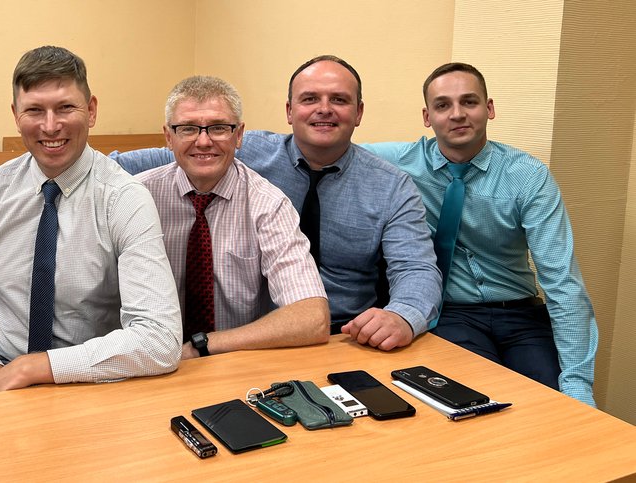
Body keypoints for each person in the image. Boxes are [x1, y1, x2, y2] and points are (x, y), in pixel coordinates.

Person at [113, 56, 441, 351]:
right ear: (289, 111)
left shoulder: (391, 186)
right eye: (310, 98)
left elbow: (417, 269)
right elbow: (168, 159)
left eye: (338, 100)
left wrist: (402, 317)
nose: (324, 109)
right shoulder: (245, 149)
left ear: (358, 112)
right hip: (258, 334)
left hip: (349, 335)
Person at [0, 46, 181, 396]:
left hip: (91, 381)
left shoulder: (125, 198)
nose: (50, 126)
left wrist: (35, 368)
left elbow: (160, 339)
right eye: (34, 110)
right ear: (16, 115)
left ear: (91, 110)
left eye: (66, 107)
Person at [362, 62, 598, 406]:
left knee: (552, 403)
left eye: (469, 102)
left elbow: (562, 282)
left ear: (489, 109)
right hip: (452, 313)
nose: (457, 114)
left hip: (520, 313)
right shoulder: (399, 162)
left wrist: (578, 386)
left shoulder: (528, 177)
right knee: (480, 401)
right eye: (443, 105)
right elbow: (329, 145)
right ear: (428, 117)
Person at [134, 75, 330, 359]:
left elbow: (313, 318)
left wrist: (202, 346)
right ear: (168, 137)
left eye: (218, 128)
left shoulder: (268, 205)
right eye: (188, 129)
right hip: (145, 360)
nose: (203, 141)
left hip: (233, 359)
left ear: (238, 135)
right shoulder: (138, 197)